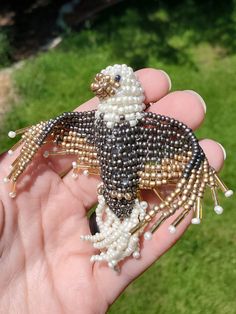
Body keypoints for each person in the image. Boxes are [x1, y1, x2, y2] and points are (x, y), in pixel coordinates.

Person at [0, 68, 225, 313]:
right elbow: (60, 125)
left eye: (113, 81)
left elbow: (187, 145)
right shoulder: (94, 122)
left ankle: (125, 228)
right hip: (111, 190)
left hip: (130, 190)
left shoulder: (156, 129)